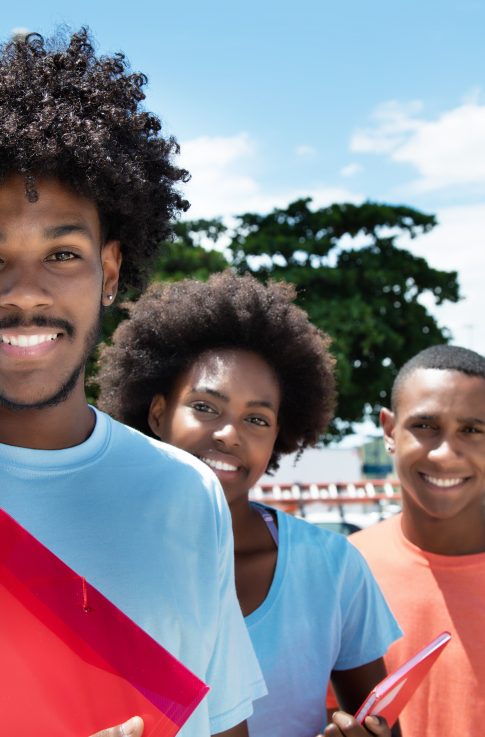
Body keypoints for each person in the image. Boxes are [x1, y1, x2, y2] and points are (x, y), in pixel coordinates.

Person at [0, 29, 266, 737]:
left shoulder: (187, 494)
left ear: (110, 271)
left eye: (61, 252)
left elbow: (220, 727)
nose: (25, 291)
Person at [97, 271, 403, 737]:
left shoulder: (332, 566)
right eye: (204, 407)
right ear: (158, 413)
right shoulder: (93, 557)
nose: (229, 434)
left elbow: (382, 724)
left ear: (279, 435)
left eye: (256, 418)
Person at [348, 344, 485, 737]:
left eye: (472, 429)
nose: (445, 453)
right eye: (425, 426)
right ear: (390, 430)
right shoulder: (346, 569)